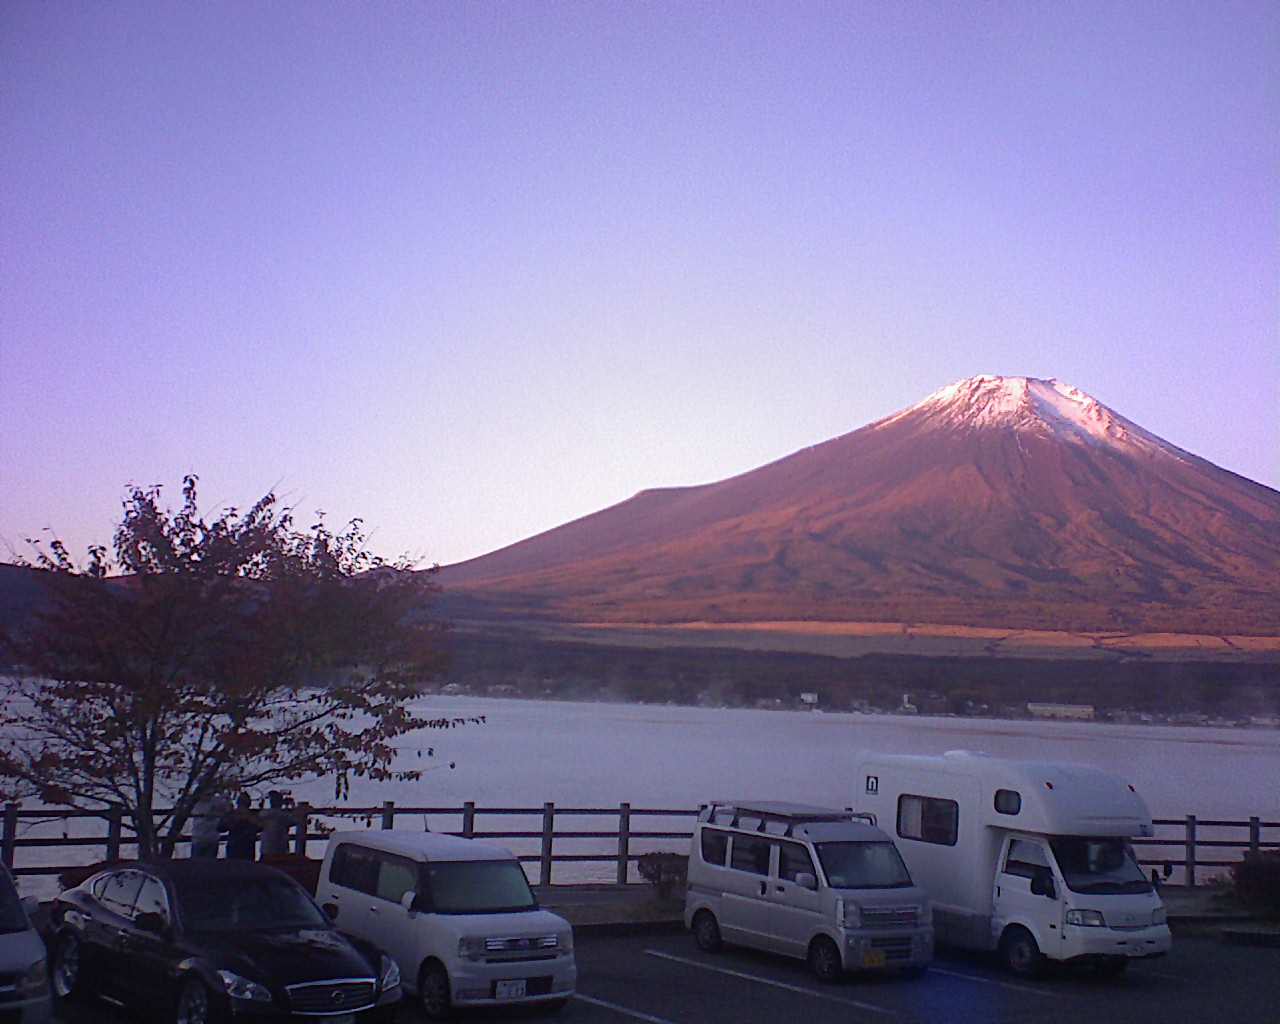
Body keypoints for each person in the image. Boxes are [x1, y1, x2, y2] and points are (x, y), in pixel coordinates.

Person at [190, 789, 231, 859]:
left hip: (212, 838)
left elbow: (228, 809)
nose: (207, 796)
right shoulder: (194, 803)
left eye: (209, 794)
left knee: (210, 864)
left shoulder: (216, 801)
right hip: (198, 838)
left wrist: (226, 797)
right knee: (196, 864)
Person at [259, 790, 300, 859]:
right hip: (280, 849)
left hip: (265, 849)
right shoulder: (283, 815)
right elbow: (296, 820)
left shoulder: (263, 813)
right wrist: (292, 806)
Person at [223, 792, 263, 861]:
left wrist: (248, 817)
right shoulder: (232, 814)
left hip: (247, 847)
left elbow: (260, 827)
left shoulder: (252, 815)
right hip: (234, 847)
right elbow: (221, 827)